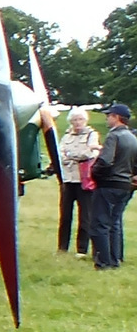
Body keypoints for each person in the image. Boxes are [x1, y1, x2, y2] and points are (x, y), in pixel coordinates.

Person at [90, 104, 135, 270]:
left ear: (116, 117)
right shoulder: (132, 137)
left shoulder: (113, 136)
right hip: (125, 185)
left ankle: (103, 261)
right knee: (114, 223)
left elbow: (106, 160)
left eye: (109, 115)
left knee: (100, 224)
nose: (107, 118)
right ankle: (115, 259)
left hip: (108, 184)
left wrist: (94, 173)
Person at [57, 107, 101, 258]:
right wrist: (74, 156)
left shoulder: (92, 134)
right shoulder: (67, 135)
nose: (77, 122)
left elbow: (90, 153)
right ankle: (62, 247)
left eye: (80, 119)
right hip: (68, 179)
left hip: (84, 181)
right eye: (74, 120)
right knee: (65, 215)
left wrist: (71, 155)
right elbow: (60, 154)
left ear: (85, 120)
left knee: (85, 216)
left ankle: (82, 249)